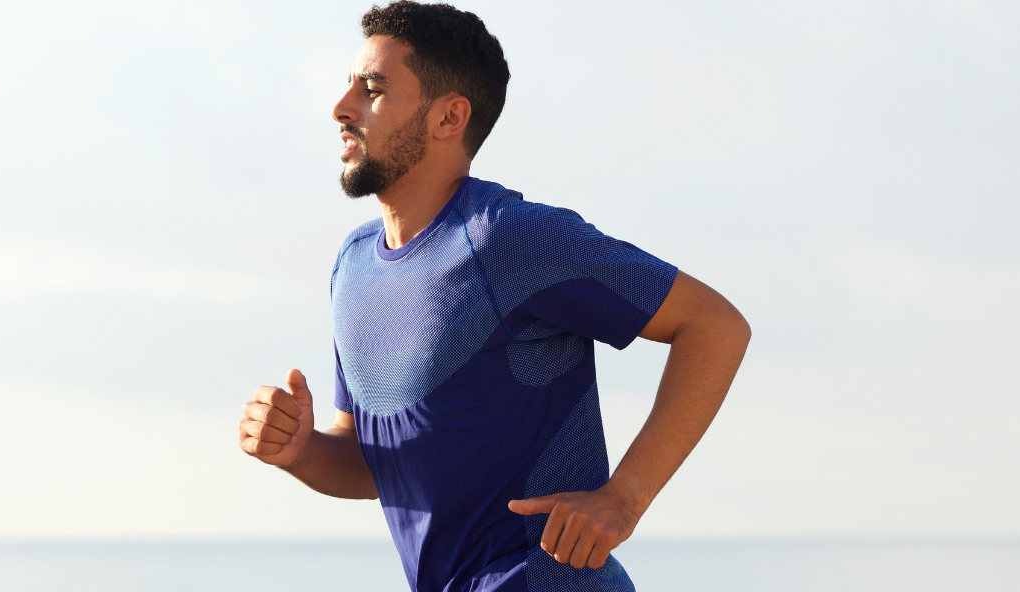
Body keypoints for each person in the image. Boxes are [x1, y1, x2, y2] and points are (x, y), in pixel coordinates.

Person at [237, 2, 750, 590]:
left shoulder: (511, 237)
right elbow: (375, 462)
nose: (342, 107)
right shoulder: (353, 265)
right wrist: (298, 449)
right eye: (349, 84)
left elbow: (714, 324)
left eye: (373, 88)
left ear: (449, 117)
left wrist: (624, 498)